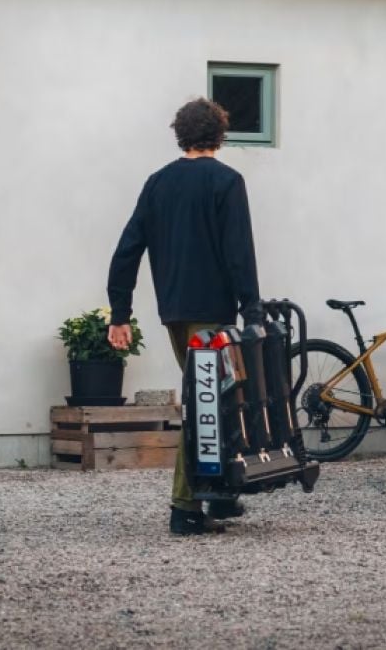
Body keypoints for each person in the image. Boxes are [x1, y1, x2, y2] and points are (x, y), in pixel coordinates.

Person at [106, 98, 263, 536]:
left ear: (181, 134)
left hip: (174, 311)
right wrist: (252, 310)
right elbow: (239, 253)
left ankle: (220, 495)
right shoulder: (227, 181)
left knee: (210, 398)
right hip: (212, 315)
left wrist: (121, 312)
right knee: (206, 402)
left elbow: (127, 250)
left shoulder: (157, 183)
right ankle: (187, 506)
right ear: (219, 134)